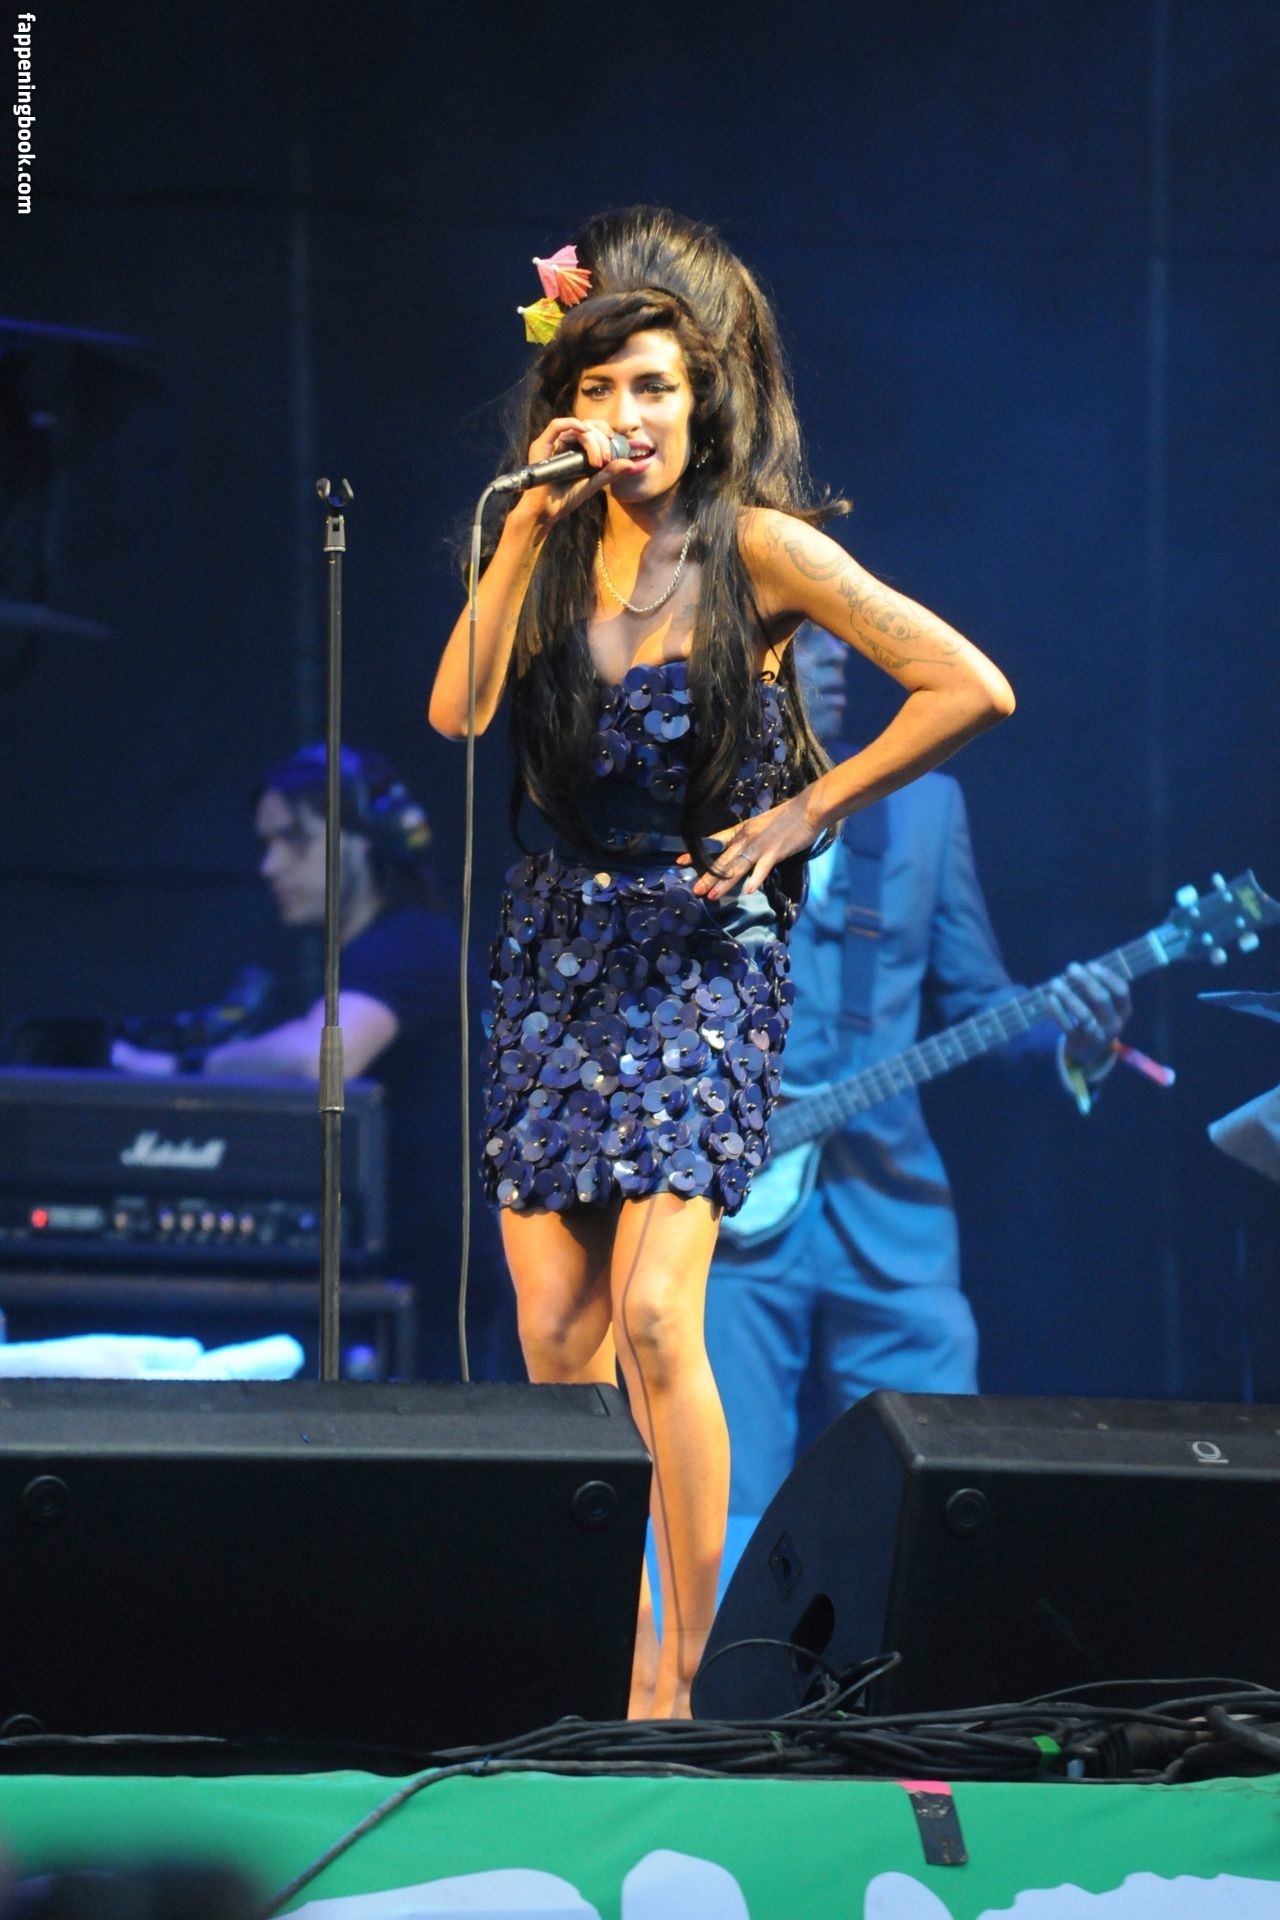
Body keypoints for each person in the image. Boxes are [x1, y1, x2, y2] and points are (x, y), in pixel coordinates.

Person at [428, 206, 1015, 1717]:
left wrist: (809, 808)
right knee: (556, 1334)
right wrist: (520, 536)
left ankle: (691, 1684)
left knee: (654, 1315)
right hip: (555, 962)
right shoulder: (549, 546)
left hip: (699, 957)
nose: (628, 417)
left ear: (701, 403)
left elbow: (968, 686)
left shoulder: (758, 546)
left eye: (655, 389)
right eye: (601, 390)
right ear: (567, 408)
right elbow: (459, 712)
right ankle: (606, 1657)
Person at [705, 623, 1132, 1519]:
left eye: (834, 642)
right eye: (797, 640)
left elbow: (977, 999)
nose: (831, 661)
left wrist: (1072, 1041)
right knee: (724, 1497)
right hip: (730, 1211)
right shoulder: (691, 808)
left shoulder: (925, 808)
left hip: (890, 1199)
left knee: (932, 1487)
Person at [112, 745, 517, 1382]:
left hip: (429, 1299)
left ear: (365, 843)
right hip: (395, 1282)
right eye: (267, 844)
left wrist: (180, 1073)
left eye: (294, 841)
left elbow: (318, 1059)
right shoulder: (378, 956)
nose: (270, 865)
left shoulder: (410, 947)